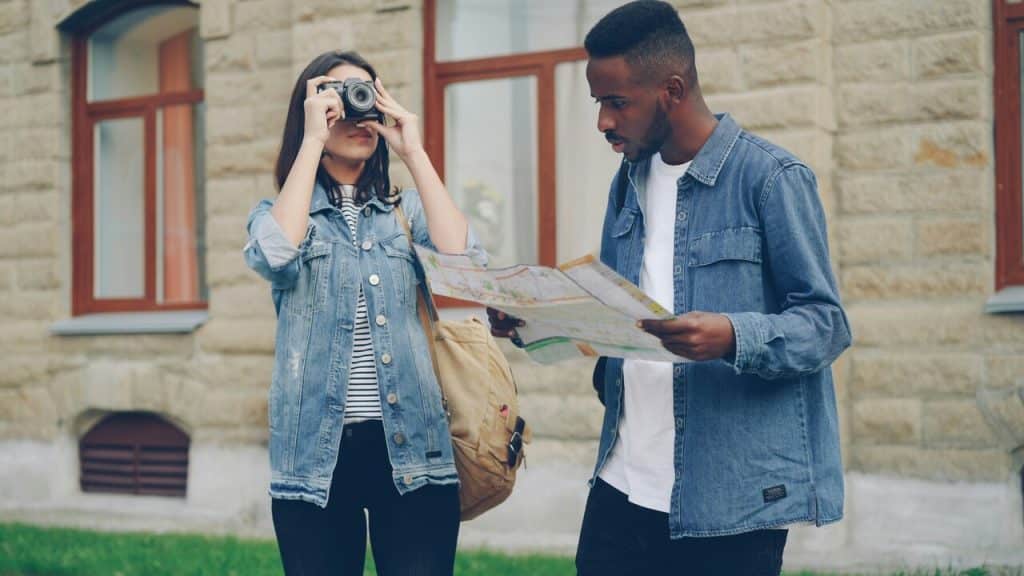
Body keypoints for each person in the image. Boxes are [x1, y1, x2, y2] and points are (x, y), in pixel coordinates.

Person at [488, 2, 852, 574]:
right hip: (621, 485)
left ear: (672, 90)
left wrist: (732, 336)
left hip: (728, 501)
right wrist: (538, 324)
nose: (603, 121)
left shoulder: (772, 180)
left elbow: (826, 325)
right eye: (598, 103)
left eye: (617, 102)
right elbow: (618, 313)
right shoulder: (626, 185)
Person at [244, 50, 484, 576]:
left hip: (413, 452)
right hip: (315, 461)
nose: (358, 113)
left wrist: (414, 152)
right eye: (339, 95)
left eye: (368, 96)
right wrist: (311, 140)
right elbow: (276, 254)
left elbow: (464, 266)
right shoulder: (279, 214)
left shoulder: (407, 211)